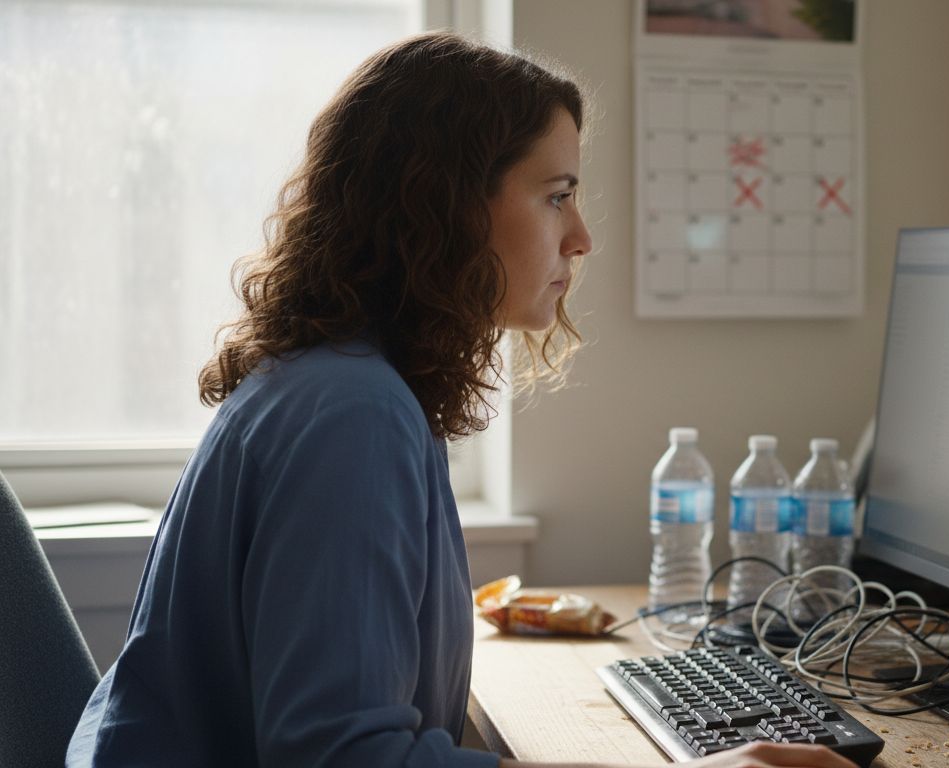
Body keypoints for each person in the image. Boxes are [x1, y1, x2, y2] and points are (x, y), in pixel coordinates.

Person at [66, 31, 858, 768]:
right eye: (556, 195)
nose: (581, 236)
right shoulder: (353, 415)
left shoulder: (339, 380)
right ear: (447, 207)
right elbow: (344, 758)